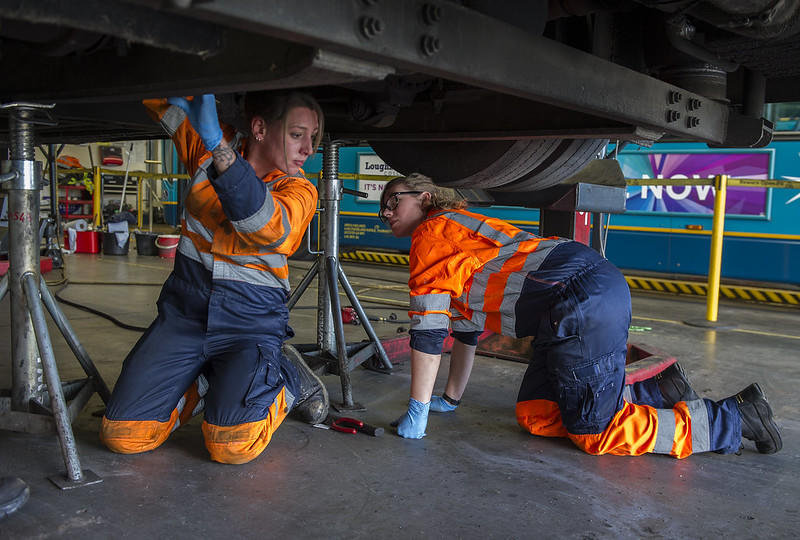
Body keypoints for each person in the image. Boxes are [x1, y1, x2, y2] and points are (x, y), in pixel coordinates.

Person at [382, 173, 782, 458]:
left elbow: (429, 333)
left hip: (579, 301)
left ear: (426, 197)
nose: (386, 210)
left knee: (594, 432)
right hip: (572, 304)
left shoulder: (432, 236)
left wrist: (418, 412)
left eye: (394, 199)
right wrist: (449, 400)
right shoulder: (456, 235)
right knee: (536, 412)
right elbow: (464, 333)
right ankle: (659, 391)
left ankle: (734, 418)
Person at [100, 92, 329, 464]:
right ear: (259, 128)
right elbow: (167, 100)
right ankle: (205, 382)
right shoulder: (207, 151)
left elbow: (269, 229)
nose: (308, 149)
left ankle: (288, 376)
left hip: (250, 325)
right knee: (124, 435)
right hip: (185, 317)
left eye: (312, 138)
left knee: (232, 446)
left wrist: (219, 147)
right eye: (297, 135)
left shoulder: (299, 189)